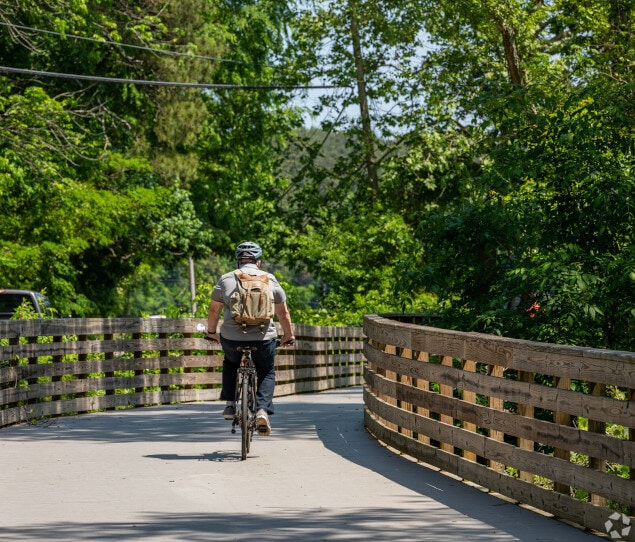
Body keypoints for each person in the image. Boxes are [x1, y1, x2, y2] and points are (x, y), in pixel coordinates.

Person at [205, 241, 295, 436]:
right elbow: (284, 314)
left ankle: (230, 404)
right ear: (258, 262)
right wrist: (288, 336)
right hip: (263, 338)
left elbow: (214, 310)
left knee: (230, 363)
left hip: (232, 337)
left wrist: (211, 332)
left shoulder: (226, 279)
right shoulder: (270, 280)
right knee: (267, 370)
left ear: (238, 262)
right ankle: (262, 410)